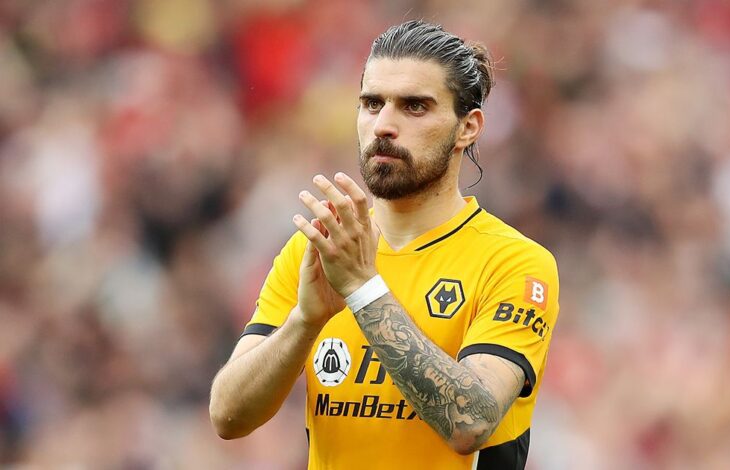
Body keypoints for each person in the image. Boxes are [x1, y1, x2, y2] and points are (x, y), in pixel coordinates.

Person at [209, 20, 560, 470]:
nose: (384, 126)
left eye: (415, 107)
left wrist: (362, 288)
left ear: (468, 127)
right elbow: (228, 415)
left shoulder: (513, 262)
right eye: (372, 103)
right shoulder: (319, 250)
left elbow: (470, 421)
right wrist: (304, 321)